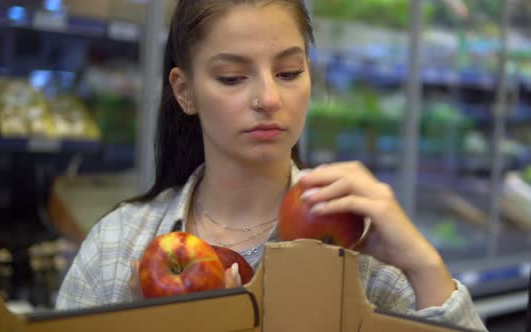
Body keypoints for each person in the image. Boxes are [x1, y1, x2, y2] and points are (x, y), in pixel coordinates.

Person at [56, 1, 486, 330]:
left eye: (288, 71)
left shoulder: (359, 255)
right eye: (232, 78)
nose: (269, 98)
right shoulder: (117, 249)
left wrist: (426, 266)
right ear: (184, 91)